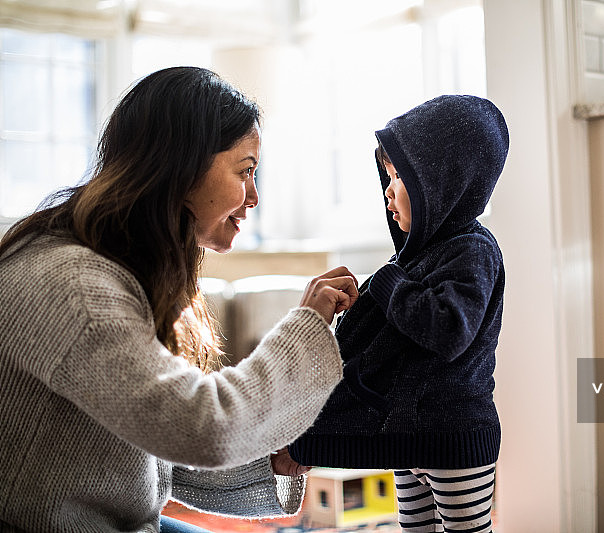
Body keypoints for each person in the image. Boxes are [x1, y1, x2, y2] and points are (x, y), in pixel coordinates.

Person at [0, 66, 358, 532]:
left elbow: (152, 453)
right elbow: (203, 430)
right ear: (181, 167)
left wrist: (275, 460)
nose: (254, 197)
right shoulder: (75, 291)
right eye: (246, 171)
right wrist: (306, 324)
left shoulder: (123, 268)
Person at [289, 95, 509, 532]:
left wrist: (386, 284)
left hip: (455, 438)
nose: (388, 190)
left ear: (441, 185)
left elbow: (449, 330)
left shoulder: (473, 251)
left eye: (400, 178)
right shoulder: (416, 257)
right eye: (386, 177)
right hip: (408, 435)